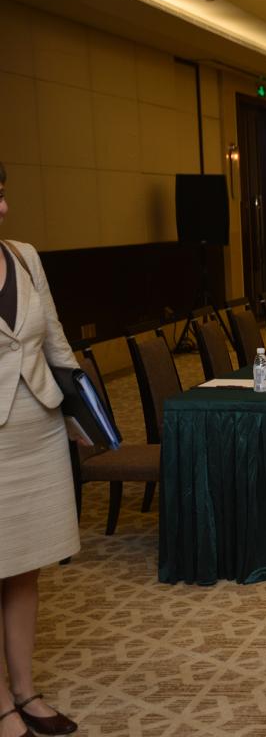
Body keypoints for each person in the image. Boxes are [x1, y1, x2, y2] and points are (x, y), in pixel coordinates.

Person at [0, 161, 82, 737]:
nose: (4, 208)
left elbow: (55, 339)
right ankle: (1, 701)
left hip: (37, 426)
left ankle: (26, 689)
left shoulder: (23, 255)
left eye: (1, 196)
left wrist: (84, 416)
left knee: (25, 568)